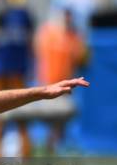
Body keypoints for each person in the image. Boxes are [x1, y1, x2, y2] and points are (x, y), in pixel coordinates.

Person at [0, 0, 35, 157]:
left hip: (15, 71)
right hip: (1, 71)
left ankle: (25, 153)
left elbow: (30, 42)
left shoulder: (22, 14)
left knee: (21, 115)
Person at [35, 8, 88, 153]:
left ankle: (56, 144)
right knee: (53, 117)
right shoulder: (48, 33)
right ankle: (53, 144)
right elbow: (38, 48)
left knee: (61, 118)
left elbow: (83, 59)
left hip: (66, 85)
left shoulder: (73, 36)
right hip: (48, 84)